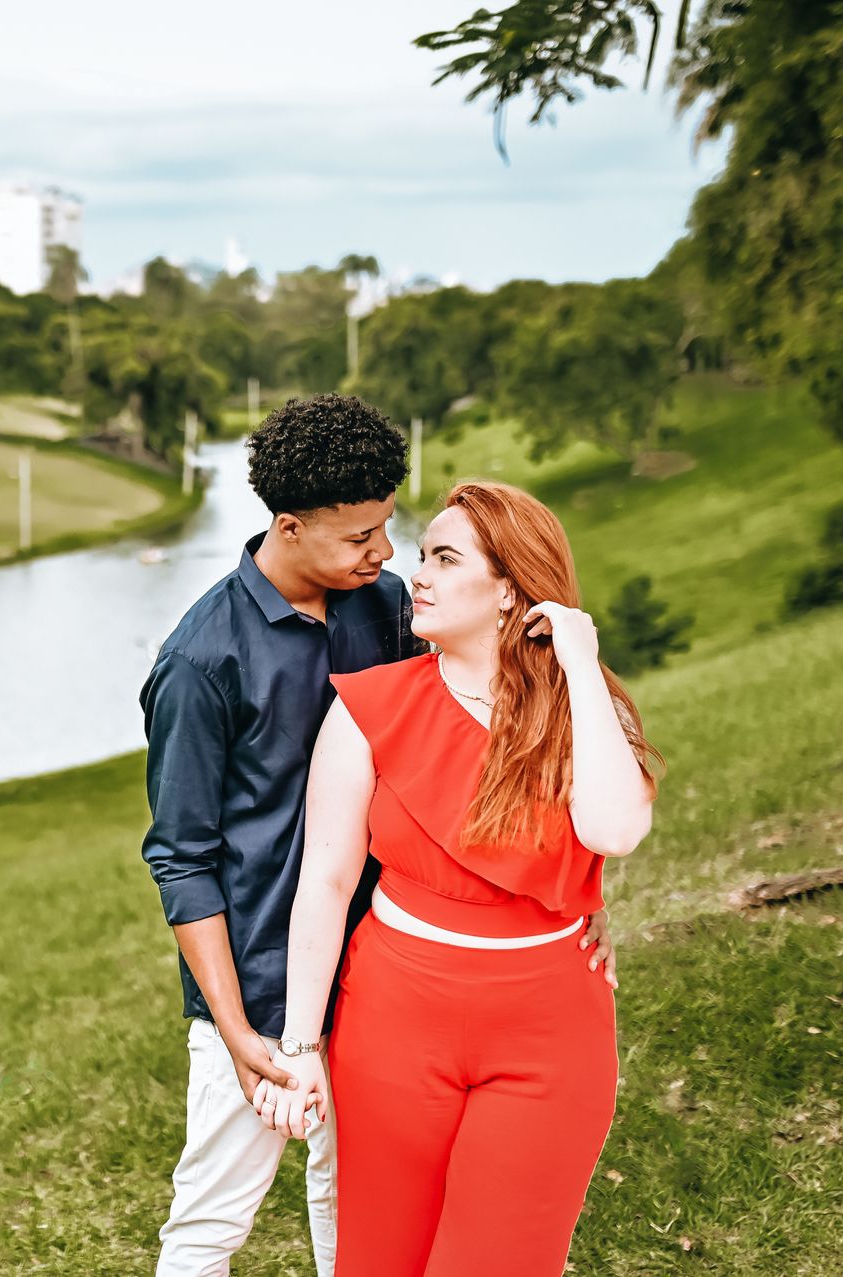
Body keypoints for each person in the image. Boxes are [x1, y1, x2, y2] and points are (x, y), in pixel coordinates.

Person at [139, 402, 614, 1277]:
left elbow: (457, 744)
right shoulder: (201, 663)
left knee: (353, 1203)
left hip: (379, 974)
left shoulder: (386, 606)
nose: (385, 553)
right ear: (289, 526)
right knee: (213, 1215)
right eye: (361, 534)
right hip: (259, 980)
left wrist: (571, 892)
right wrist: (238, 1027)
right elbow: (181, 857)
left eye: (388, 526)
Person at [263, 479, 660, 1277]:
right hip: (394, 1022)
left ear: (511, 587)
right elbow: (327, 881)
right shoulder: (370, 708)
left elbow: (614, 831)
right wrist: (301, 1043)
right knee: (383, 1259)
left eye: (445, 558)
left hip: (549, 1033)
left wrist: (578, 661)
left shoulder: (585, 710)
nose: (420, 575)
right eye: (423, 556)